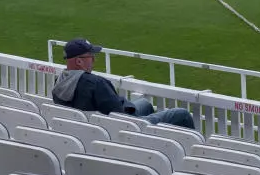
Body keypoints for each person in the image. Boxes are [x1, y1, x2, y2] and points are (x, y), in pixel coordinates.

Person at [52, 38, 196, 128]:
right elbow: (120, 117)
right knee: (182, 114)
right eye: (91, 57)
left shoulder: (59, 82)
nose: (94, 60)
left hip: (88, 126)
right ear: (79, 61)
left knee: (145, 103)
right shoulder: (96, 83)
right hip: (126, 128)